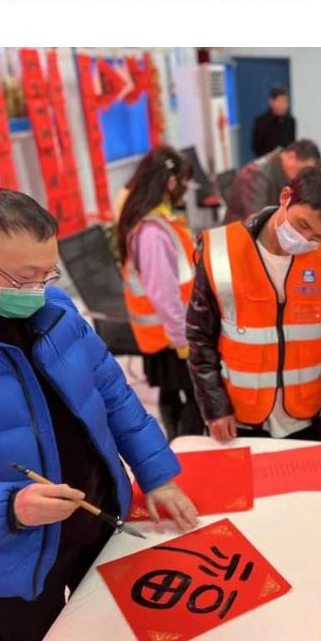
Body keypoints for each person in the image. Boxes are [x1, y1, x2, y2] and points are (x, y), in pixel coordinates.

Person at [0, 190, 196, 641]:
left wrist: (156, 474)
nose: (37, 291)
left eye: (47, 275)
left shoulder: (55, 310)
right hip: (10, 554)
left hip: (97, 517)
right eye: (23, 278)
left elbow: (113, 396)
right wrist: (9, 507)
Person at [187, 167, 321, 442]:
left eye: (319, 237)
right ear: (285, 197)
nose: (306, 240)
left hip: (305, 416)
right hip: (240, 417)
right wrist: (215, 409)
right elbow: (200, 339)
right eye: (302, 225)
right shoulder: (221, 252)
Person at [117, 146, 203, 440]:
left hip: (167, 334)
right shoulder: (153, 232)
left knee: (174, 393)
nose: (185, 190)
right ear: (171, 182)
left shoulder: (158, 222)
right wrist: (183, 339)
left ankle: (178, 444)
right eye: (184, 182)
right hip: (171, 337)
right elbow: (163, 295)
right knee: (193, 397)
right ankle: (187, 448)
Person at [224, 139, 321, 224]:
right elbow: (255, 222)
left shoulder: (282, 174)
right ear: (291, 157)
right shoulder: (256, 175)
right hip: (239, 236)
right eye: (303, 170)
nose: (303, 176)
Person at [251, 85, 296, 158]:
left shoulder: (291, 121)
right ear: (271, 102)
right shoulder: (261, 122)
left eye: (285, 102)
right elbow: (256, 148)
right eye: (279, 101)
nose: (282, 105)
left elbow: (292, 144)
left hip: (286, 160)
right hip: (266, 161)